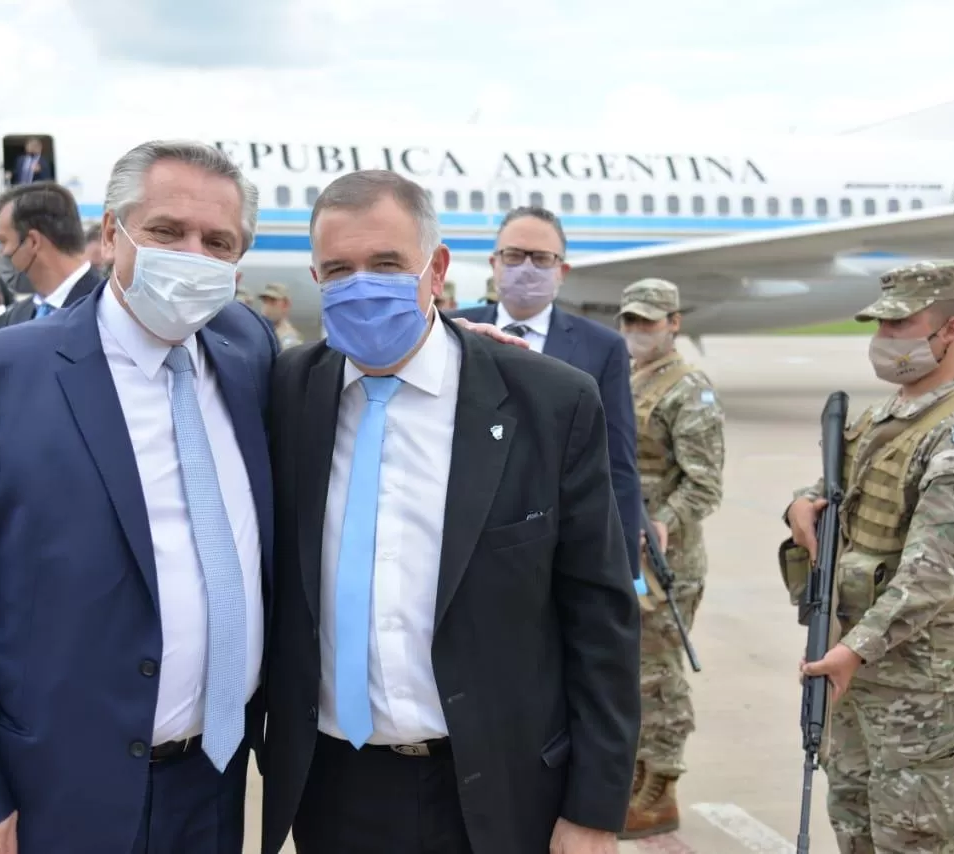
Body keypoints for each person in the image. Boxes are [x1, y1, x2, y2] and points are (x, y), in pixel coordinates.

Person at [0, 140, 278, 854]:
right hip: (53, 792)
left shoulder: (247, 349)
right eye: (165, 231)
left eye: (218, 241)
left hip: (214, 785)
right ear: (111, 233)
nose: (193, 253)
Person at [261, 170, 642, 854]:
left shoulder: (548, 402)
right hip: (331, 786)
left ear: (435, 269)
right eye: (340, 269)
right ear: (315, 275)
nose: (362, 285)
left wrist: (595, 809)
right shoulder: (288, 391)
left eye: (386, 265)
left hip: (495, 790)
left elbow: (600, 617)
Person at [783, 259, 954, 853]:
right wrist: (804, 504)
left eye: (900, 325)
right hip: (852, 662)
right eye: (880, 327)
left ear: (950, 331)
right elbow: (846, 495)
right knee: (855, 824)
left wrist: (850, 652)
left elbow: (935, 571)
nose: (884, 341)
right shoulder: (884, 417)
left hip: (919, 680)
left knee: (912, 838)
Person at [451, 207, 643, 583]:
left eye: (541, 258)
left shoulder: (602, 347)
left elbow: (618, 460)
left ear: (562, 270)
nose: (526, 268)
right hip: (462, 534)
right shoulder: (452, 331)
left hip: (557, 537)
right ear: (494, 263)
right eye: (514, 255)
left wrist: (623, 567)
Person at [613, 278, 724, 839]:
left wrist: (662, 522)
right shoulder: (628, 378)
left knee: (659, 673)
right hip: (623, 550)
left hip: (663, 559)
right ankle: (636, 770)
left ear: (674, 323)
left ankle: (662, 783)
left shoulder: (689, 390)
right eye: (631, 321)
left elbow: (706, 484)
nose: (638, 331)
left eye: (650, 322)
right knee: (631, 671)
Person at [0, 182, 101, 323]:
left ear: (33, 242)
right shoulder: (16, 316)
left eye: (3, 241)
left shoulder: (104, 307)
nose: (2, 252)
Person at [257, 283, 303, 348]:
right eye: (265, 301)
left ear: (285, 305)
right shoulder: (263, 333)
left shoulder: (290, 341)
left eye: (272, 302)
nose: (267, 307)